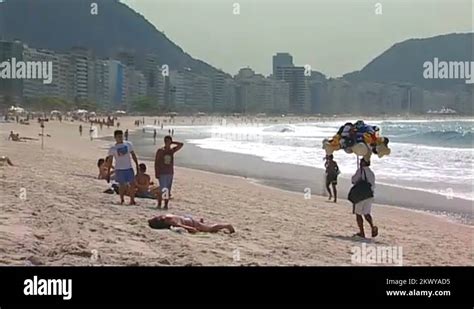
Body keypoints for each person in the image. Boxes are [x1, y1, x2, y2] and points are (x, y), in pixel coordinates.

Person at [106, 130, 139, 205]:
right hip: (119, 169)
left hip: (129, 167)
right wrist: (108, 172)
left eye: (121, 136)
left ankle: (132, 200)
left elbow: (133, 155)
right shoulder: (113, 148)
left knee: (132, 184)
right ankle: (122, 199)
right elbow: (110, 161)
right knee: (122, 185)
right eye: (118, 137)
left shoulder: (128, 144)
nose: (120, 138)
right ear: (115, 137)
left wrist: (137, 164)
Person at [351, 158, 378, 238]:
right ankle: (372, 226)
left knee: (358, 213)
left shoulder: (360, 171)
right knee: (367, 213)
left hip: (361, 195)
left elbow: (353, 180)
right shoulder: (371, 173)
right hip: (369, 195)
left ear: (363, 163)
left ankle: (362, 232)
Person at [154, 136, 183, 209]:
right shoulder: (161, 150)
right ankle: (160, 203)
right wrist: (156, 172)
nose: (168, 143)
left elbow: (181, 144)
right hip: (162, 172)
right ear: (164, 142)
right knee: (164, 189)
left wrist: (173, 142)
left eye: (169, 141)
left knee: (168, 189)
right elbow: (156, 162)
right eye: (167, 141)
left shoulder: (171, 150)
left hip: (170, 172)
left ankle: (165, 204)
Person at [148, 214, 235, 234]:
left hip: (192, 223)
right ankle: (200, 222)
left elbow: (181, 225)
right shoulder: (165, 216)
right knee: (204, 226)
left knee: (210, 229)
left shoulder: (169, 221)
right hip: (187, 218)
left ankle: (227, 226)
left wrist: (192, 230)